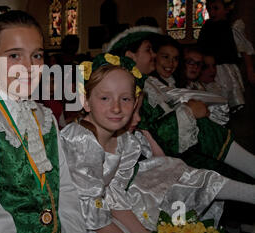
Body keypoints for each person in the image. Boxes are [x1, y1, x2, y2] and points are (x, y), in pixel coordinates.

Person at [61, 53, 255, 233]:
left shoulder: (125, 141)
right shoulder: (81, 142)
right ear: (86, 102)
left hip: (100, 213)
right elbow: (91, 214)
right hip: (75, 218)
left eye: (126, 99)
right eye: (105, 98)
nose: (117, 107)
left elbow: (115, 199)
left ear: (136, 102)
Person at [0, 10, 86, 233]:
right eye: (15, 56)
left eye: (36, 56)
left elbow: (65, 191)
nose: (28, 67)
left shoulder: (46, 118)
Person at [106, 27, 255, 182]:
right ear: (130, 56)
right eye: (148, 50)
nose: (154, 55)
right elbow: (153, 132)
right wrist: (189, 111)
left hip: (174, 149)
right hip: (147, 158)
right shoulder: (128, 88)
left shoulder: (150, 84)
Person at [197, 0, 255, 111]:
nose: (212, 12)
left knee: (228, 99)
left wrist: (250, 70)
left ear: (227, 9)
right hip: (208, 68)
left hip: (226, 69)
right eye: (209, 9)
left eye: (216, 8)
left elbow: (244, 48)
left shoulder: (232, 27)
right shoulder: (206, 27)